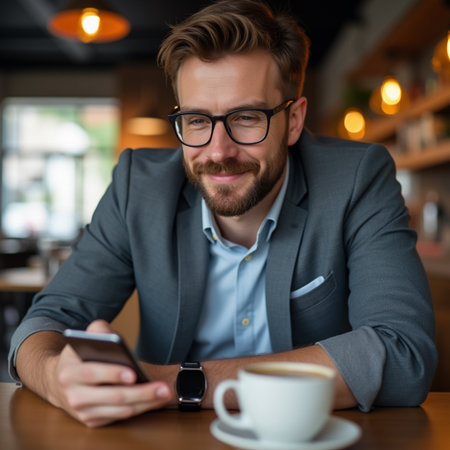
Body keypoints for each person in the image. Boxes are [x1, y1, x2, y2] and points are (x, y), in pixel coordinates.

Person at [9, 0, 436, 428]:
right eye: (197, 121)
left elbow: (404, 355)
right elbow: (45, 322)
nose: (218, 152)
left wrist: (176, 384)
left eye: (247, 118)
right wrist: (54, 376)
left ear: (293, 120)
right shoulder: (137, 186)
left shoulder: (357, 178)